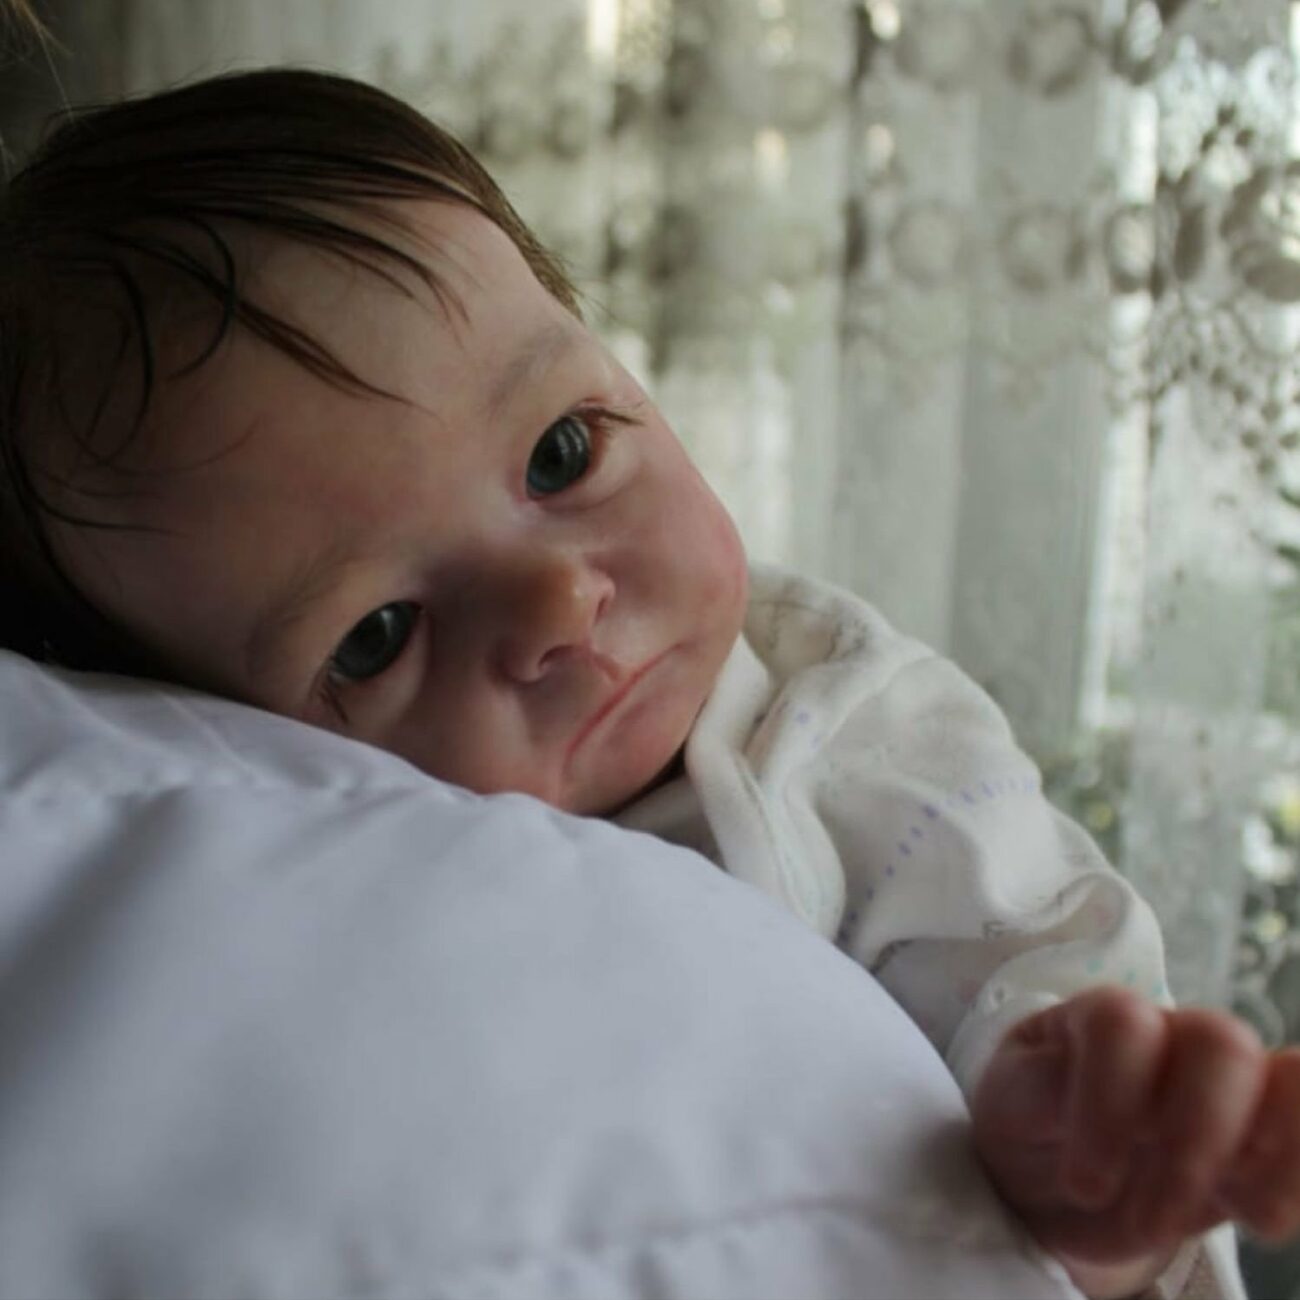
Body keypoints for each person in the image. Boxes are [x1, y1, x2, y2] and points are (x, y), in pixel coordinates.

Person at [2, 66, 1297, 1300]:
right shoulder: (317, 889)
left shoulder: (849, 738)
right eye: (379, 637)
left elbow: (1035, 974)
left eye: (562, 453)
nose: (559, 606)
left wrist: (1079, 1145)